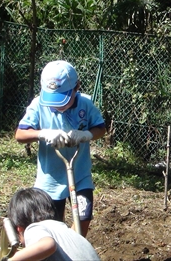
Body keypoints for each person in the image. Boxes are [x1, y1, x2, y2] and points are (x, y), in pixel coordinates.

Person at [15, 60, 106, 237]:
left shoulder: (85, 104)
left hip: (80, 176)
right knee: (52, 228)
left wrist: (86, 135)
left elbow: (100, 128)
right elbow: (20, 134)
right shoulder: (39, 105)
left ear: (76, 87)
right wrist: (42, 133)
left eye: (62, 98)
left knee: (82, 218)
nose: (56, 104)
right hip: (50, 181)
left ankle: (73, 247)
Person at [4, 187, 100, 261]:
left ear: (19, 228)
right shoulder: (66, 231)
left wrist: (12, 259)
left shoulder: (34, 228)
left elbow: (48, 245)